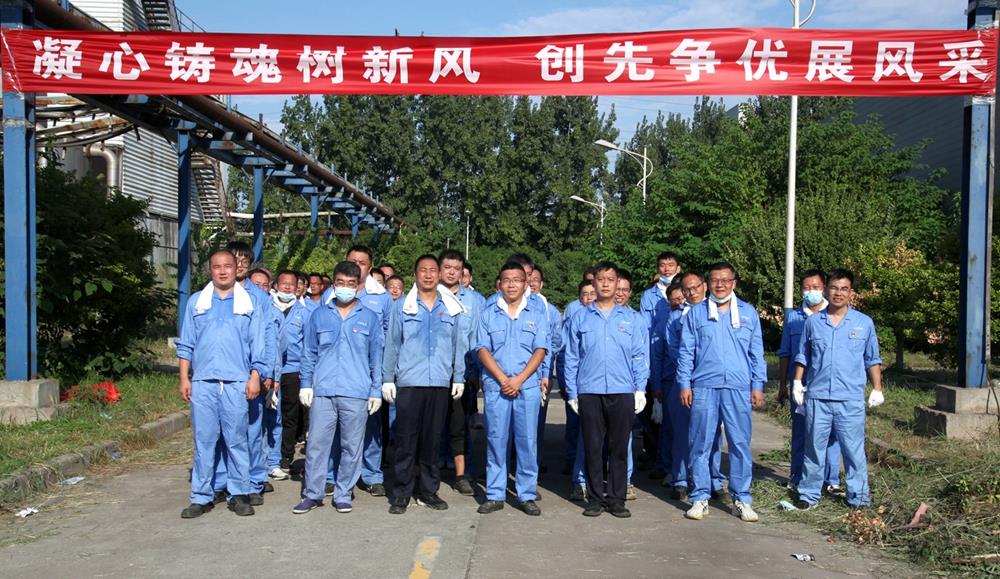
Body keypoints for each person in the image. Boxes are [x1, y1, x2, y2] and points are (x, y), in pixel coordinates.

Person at [177, 249, 268, 519]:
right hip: (203, 382)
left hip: (236, 382)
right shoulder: (197, 302)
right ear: (210, 270)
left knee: (237, 440)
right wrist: (184, 378)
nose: (223, 271)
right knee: (204, 441)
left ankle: (239, 493)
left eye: (228, 266)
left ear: (236, 268)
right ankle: (201, 496)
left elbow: (258, 344)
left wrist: (255, 376)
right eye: (217, 267)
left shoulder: (249, 303)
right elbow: (186, 342)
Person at [676, 262, 766, 523]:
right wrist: (684, 384)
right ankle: (700, 497)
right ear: (708, 284)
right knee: (700, 443)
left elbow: (756, 353)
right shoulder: (697, 313)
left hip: (738, 387)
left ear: (734, 283)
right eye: (715, 280)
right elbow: (686, 351)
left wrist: (757, 386)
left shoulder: (748, 312)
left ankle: (742, 498)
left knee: (739, 444)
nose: (720, 285)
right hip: (705, 386)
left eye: (725, 280)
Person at [293, 261, 384, 514]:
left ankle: (343, 493)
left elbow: (375, 357)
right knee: (316, 445)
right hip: (323, 390)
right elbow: (309, 353)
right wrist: (305, 384)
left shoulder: (369, 318)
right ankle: (313, 493)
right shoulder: (319, 315)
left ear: (358, 286)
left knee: (351, 446)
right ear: (333, 285)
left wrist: (376, 390)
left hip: (356, 391)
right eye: (341, 283)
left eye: (351, 284)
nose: (345, 288)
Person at [382, 255, 468, 514]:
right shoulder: (402, 306)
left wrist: (459, 377)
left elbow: (459, 344)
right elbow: (392, 344)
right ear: (415, 274)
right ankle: (401, 493)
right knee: (406, 441)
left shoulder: (450, 306)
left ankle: (429, 491)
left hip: (440, 382)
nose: (428, 275)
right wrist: (387, 379)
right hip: (410, 382)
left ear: (439, 274)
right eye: (423, 270)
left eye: (433, 270)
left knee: (432, 440)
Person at [563, 262, 649, 518]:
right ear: (594, 282)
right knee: (592, 446)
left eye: (610, 279)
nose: (605, 284)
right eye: (601, 279)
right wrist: (572, 392)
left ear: (617, 283)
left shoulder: (633, 319)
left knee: (619, 448)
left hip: (622, 390)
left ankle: (617, 498)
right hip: (589, 390)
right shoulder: (580, 317)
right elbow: (571, 357)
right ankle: (594, 498)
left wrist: (640, 388)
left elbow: (640, 356)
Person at [794, 269, 883, 510]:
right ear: (826, 290)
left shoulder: (864, 323)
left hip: (850, 399)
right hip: (818, 397)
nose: (838, 293)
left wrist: (877, 387)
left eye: (844, 289)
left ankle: (858, 497)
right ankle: (809, 494)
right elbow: (803, 356)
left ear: (851, 292)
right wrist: (797, 383)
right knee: (814, 448)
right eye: (834, 288)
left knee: (853, 451)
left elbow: (872, 359)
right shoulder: (813, 322)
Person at [476, 262, 550, 516]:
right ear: (499, 283)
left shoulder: (537, 314)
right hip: (497, 386)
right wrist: (502, 378)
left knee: (527, 441)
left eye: (517, 280)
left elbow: (540, 350)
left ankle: (526, 494)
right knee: (496, 439)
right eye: (506, 280)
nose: (511, 285)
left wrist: (519, 379)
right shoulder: (488, 314)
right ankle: (495, 493)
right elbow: (482, 349)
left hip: (526, 386)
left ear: (525, 283)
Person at [325, 245, 394, 498]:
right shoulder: (330, 294)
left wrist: (384, 376)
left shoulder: (382, 297)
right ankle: (331, 475)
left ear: (370, 267)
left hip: (367, 371)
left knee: (371, 425)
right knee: (335, 426)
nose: (357, 265)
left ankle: (371, 474)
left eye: (362, 262)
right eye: (352, 260)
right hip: (337, 370)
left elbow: (389, 335)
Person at [778, 269, 842, 493]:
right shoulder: (794, 318)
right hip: (800, 386)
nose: (811, 291)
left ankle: (830, 480)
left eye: (815, 287)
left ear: (824, 288)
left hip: (827, 383)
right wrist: (783, 385)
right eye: (806, 287)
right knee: (801, 432)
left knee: (831, 434)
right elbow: (785, 352)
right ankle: (797, 477)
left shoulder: (834, 315)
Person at [224, 241, 276, 506]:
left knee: (253, 430)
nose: (241, 264)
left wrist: (267, 371)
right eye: (236, 259)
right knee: (224, 431)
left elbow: (269, 335)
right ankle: (224, 481)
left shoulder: (260, 297)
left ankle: (255, 480)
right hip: (224, 371)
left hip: (252, 371)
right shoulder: (214, 293)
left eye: (245, 260)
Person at [438, 249, 484, 496]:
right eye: (447, 267)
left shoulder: (475, 301)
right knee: (431, 424)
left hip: (464, 373)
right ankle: (429, 468)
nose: (452, 272)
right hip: (433, 373)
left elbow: (478, 338)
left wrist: (476, 372)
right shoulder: (428, 296)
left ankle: (461, 474)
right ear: (439, 269)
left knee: (460, 426)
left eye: (456, 268)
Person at [271, 270, 308, 476]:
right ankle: (270, 456)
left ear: (297, 287)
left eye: (291, 284)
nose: (287, 287)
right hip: (270, 370)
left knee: (290, 415)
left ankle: (286, 456)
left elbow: (309, 345)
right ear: (276, 285)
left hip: (293, 370)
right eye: (283, 283)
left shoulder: (304, 312)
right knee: (271, 415)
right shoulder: (267, 308)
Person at [528, 264, 561, 475]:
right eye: (528, 278)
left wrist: (546, 370)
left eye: (535, 279)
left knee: (537, 422)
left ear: (541, 284)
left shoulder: (551, 311)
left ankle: (535, 463)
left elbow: (555, 341)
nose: (531, 283)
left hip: (541, 372)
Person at [562, 278, 596, 481]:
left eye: (592, 293)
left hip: (601, 385)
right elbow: (568, 355)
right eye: (585, 294)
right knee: (576, 427)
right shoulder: (575, 318)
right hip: (579, 384)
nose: (589, 297)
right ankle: (575, 468)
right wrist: (569, 387)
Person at [639, 252, 681, 330]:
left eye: (670, 265)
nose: (667, 269)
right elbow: (644, 325)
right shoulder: (648, 295)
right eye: (662, 265)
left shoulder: (685, 291)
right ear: (658, 269)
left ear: (678, 268)